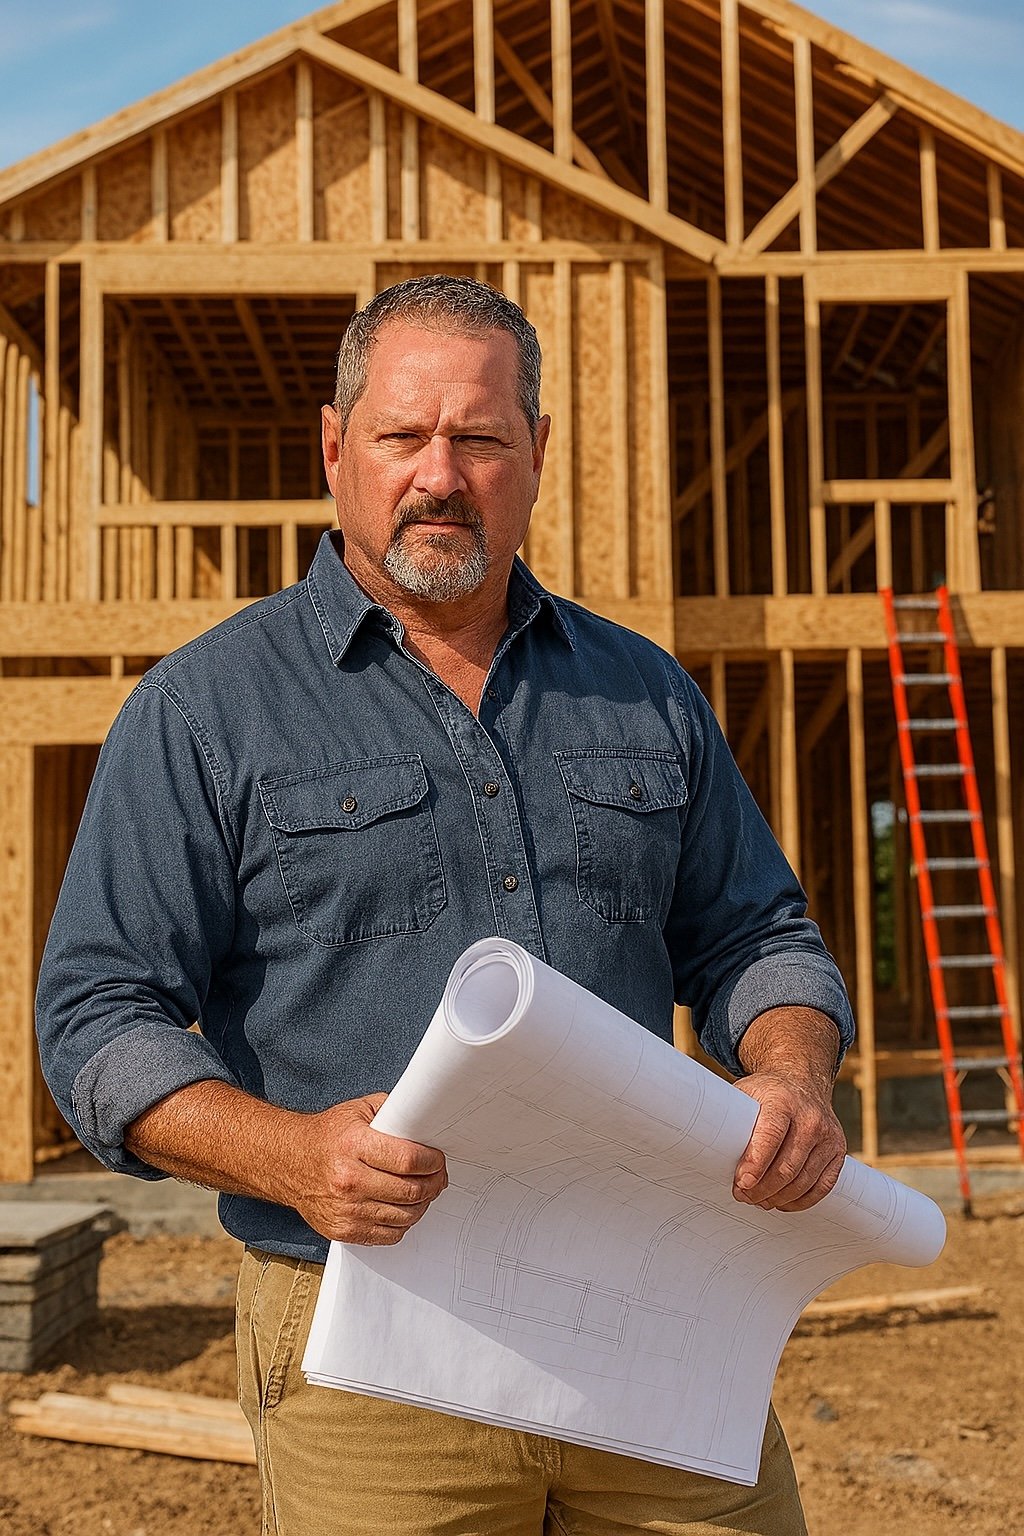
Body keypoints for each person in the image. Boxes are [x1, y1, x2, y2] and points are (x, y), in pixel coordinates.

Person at [37, 275, 853, 1535]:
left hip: (648, 1314)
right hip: (369, 1336)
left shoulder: (644, 693)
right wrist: (291, 1155)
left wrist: (791, 1072)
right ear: (333, 449)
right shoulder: (204, 713)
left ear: (535, 455)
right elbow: (97, 1017)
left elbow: (756, 936)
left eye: (478, 437)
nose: (439, 471)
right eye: (401, 434)